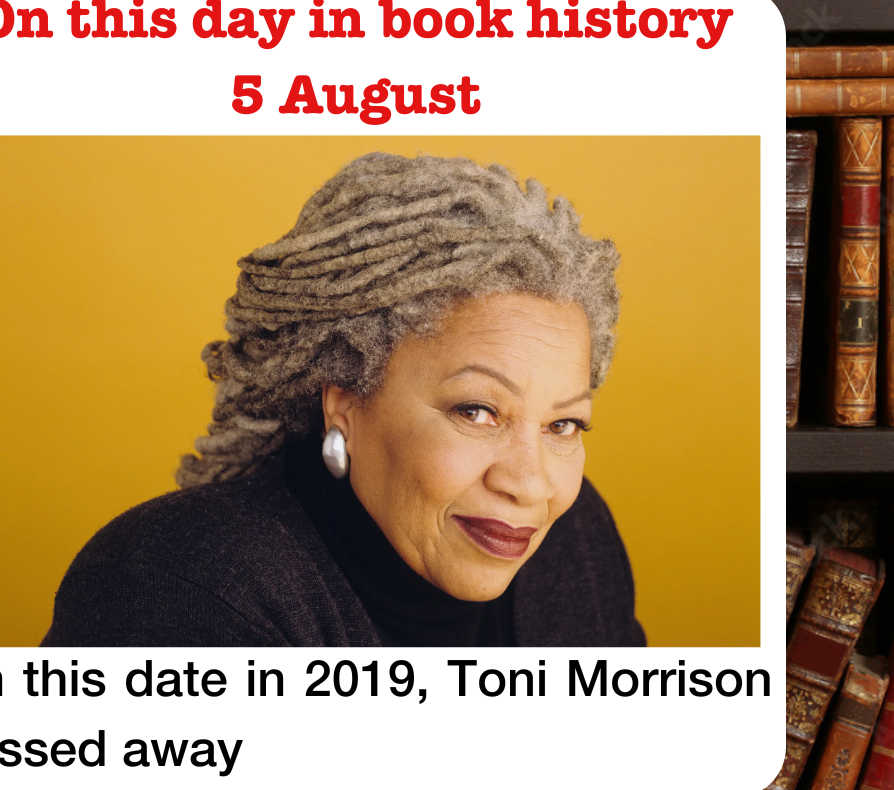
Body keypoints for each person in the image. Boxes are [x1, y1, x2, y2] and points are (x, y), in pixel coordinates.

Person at [42, 153, 645, 647]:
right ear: (344, 405)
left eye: (564, 424)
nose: (531, 485)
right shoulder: (177, 587)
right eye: (476, 412)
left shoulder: (577, 546)